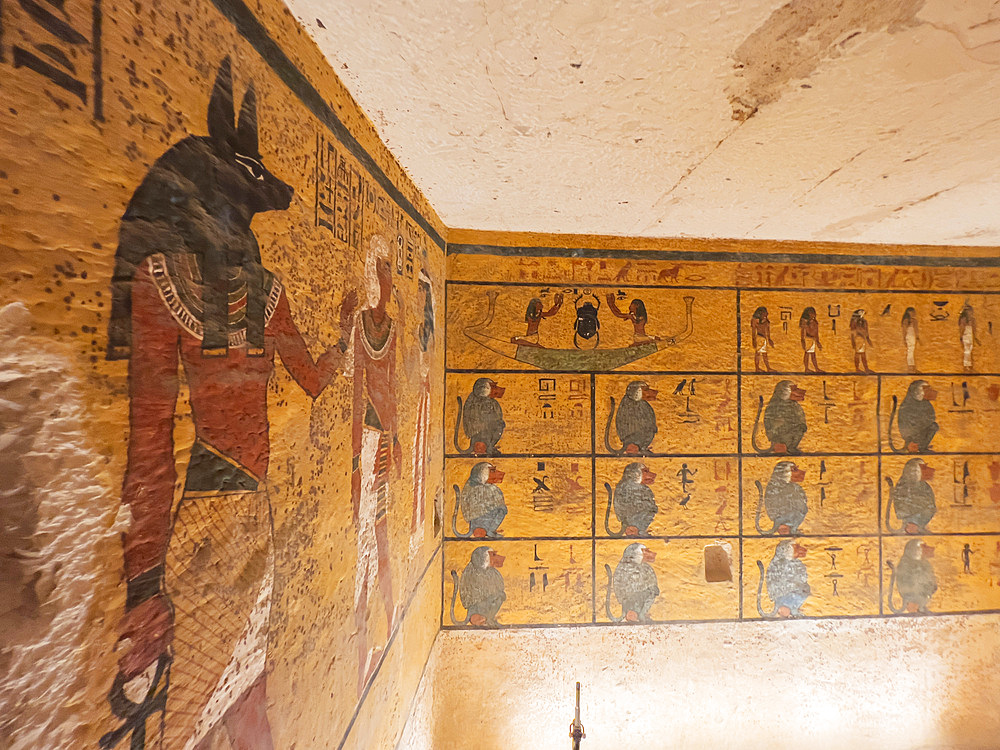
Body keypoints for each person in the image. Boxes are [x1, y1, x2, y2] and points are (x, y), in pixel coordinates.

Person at [347, 234, 403, 695]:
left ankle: (389, 620)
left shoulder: (394, 328)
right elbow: (356, 391)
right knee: (368, 536)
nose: (386, 284)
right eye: (380, 274)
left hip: (383, 437)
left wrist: (398, 436)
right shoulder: (361, 326)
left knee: (381, 528)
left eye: (388, 275)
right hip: (366, 438)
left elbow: (394, 384)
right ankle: (365, 640)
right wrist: (351, 462)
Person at [750, 306, 776, 373]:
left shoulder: (766, 321)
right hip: (759, 338)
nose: (766, 315)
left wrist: (769, 339)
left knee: (763, 354)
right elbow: (753, 331)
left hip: (763, 339)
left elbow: (767, 331)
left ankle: (767, 368)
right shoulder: (755, 321)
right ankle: (758, 368)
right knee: (758, 354)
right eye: (764, 313)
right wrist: (754, 340)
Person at [799, 307, 823, 373]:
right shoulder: (806, 323)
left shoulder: (815, 322)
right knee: (807, 354)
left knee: (813, 355)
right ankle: (807, 368)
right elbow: (803, 332)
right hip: (808, 340)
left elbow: (816, 333)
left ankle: (816, 368)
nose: (813, 314)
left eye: (813, 313)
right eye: (811, 313)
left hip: (813, 340)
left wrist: (817, 341)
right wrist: (803, 340)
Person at [849, 309, 874, 373]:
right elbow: (853, 332)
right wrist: (853, 341)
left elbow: (866, 331)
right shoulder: (855, 321)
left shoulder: (864, 321)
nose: (863, 313)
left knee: (863, 354)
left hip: (863, 339)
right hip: (857, 339)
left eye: (863, 312)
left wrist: (868, 339)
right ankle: (857, 368)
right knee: (858, 354)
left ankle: (866, 368)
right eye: (861, 312)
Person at [901, 307, 918, 373]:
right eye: (913, 312)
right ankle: (910, 367)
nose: (914, 313)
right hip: (909, 337)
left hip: (912, 337)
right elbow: (904, 330)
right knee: (910, 351)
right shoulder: (906, 320)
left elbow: (915, 330)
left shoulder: (913, 320)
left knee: (912, 351)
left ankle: (913, 367)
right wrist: (904, 339)